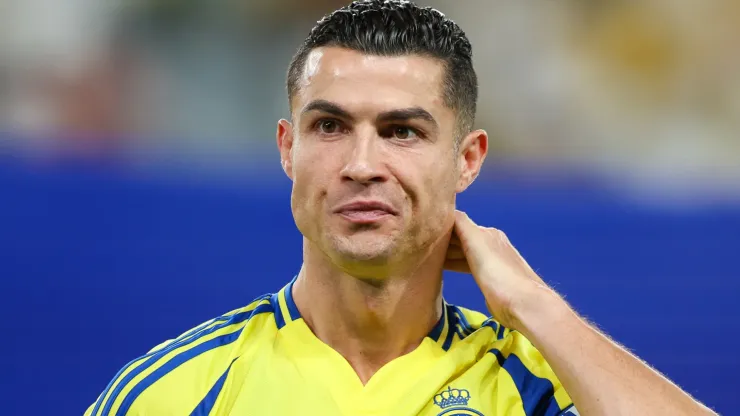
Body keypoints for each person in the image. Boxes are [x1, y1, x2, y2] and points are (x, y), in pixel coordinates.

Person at [85, 1, 717, 415]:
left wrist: (537, 307)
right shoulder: (177, 391)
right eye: (330, 126)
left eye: (402, 132)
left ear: (467, 160)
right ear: (287, 148)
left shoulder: (535, 389)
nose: (362, 164)